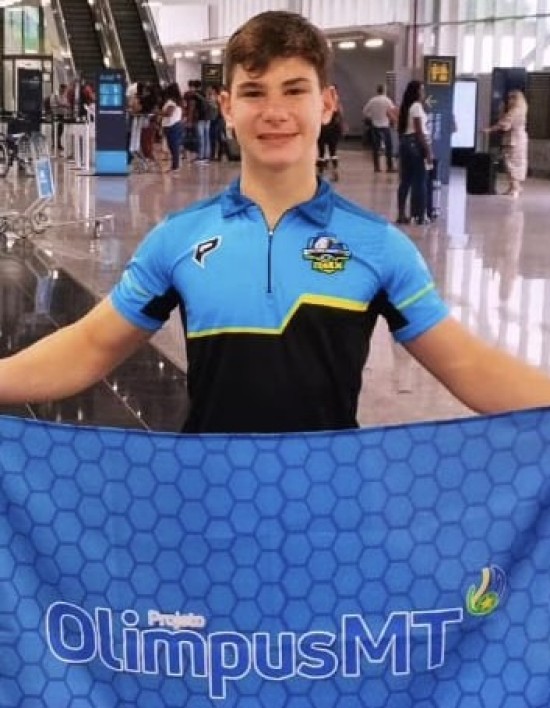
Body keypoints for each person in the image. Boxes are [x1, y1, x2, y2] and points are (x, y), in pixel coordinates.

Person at [1, 11, 550, 435]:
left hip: (330, 514)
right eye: (254, 92)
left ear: (327, 104)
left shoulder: (377, 245)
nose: (275, 112)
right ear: (227, 107)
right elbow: (90, 346)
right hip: (209, 508)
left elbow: (469, 365)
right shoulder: (178, 238)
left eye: (294, 90)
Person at [396, 80, 433, 225]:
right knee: (420, 180)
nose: (423, 93)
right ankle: (420, 215)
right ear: (416, 92)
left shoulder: (408, 107)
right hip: (416, 145)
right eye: (421, 90)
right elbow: (419, 131)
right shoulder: (416, 106)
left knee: (405, 181)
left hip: (406, 143)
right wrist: (428, 151)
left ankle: (401, 214)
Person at [484, 89, 528, 198]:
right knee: (515, 162)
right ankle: (513, 187)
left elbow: (504, 125)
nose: (509, 101)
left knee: (511, 163)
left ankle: (515, 187)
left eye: (511, 98)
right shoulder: (521, 109)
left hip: (514, 140)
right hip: (518, 139)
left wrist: (490, 129)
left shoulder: (515, 111)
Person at [362, 84, 397, 173]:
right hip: (385, 126)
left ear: (377, 91)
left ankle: (377, 167)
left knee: (376, 147)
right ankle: (389, 167)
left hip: (375, 126)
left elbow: (365, 111)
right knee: (389, 147)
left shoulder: (372, 100)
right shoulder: (387, 100)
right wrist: (393, 120)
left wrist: (372, 117)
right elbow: (392, 111)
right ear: (384, 90)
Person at [316, 85, 344, 181]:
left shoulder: (322, 105)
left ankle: (320, 172)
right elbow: (340, 117)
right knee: (333, 151)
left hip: (323, 129)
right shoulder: (337, 106)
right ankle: (335, 171)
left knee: (321, 151)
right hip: (334, 130)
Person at [160, 82, 184, 171]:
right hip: (176, 124)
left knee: (173, 146)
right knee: (175, 146)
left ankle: (175, 166)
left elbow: (168, 113)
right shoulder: (179, 101)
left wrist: (158, 112)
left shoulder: (171, 102)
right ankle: (175, 165)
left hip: (171, 126)